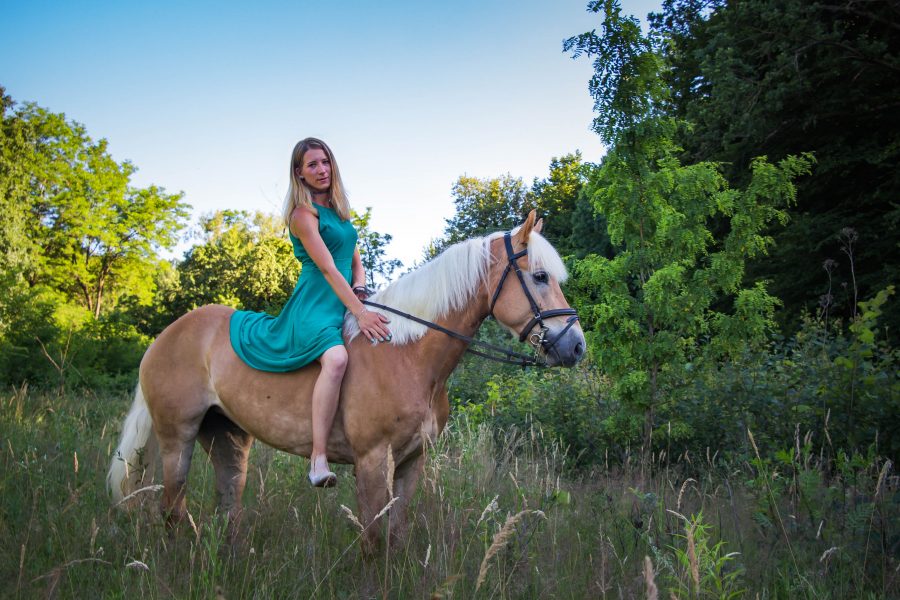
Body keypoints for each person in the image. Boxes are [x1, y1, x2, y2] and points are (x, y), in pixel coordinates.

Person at [229, 137, 391, 487]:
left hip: (346, 299)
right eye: (312, 165)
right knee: (335, 360)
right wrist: (359, 312)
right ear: (299, 174)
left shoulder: (341, 216)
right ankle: (318, 459)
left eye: (325, 162)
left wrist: (361, 290)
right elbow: (331, 268)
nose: (321, 170)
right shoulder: (303, 215)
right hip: (314, 308)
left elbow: (354, 263)